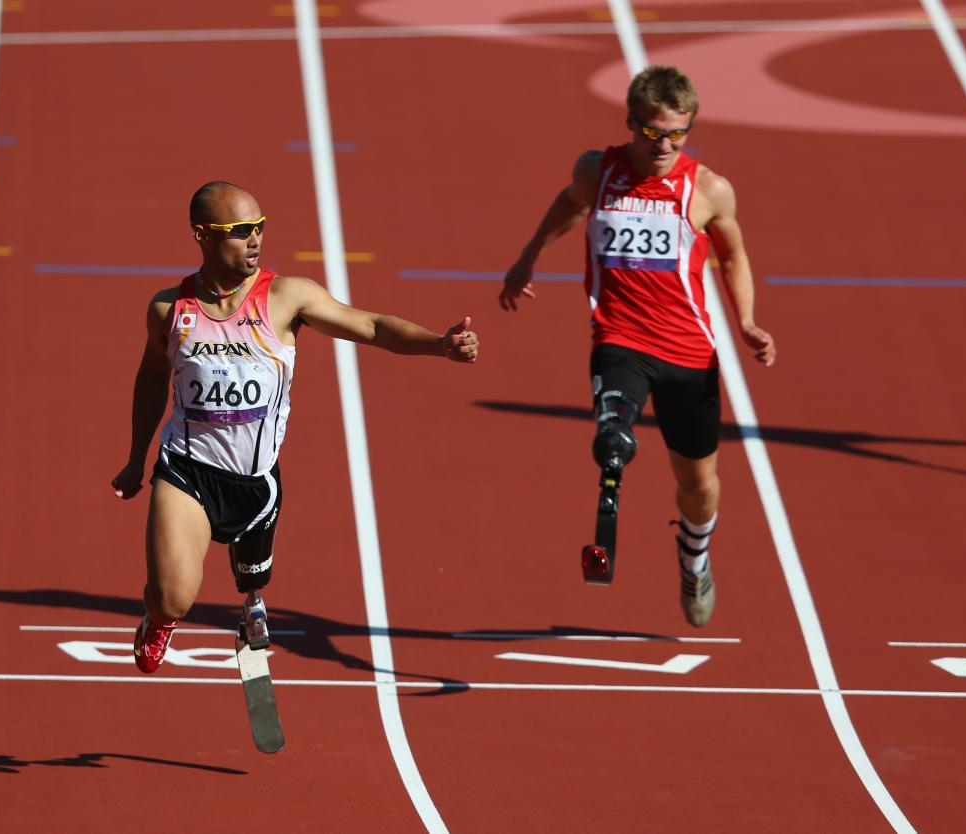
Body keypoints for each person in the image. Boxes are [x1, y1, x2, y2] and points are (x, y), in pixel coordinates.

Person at [111, 181, 479, 672]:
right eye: (241, 231)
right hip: (187, 471)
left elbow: (368, 325)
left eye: (260, 228)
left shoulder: (285, 297)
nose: (256, 239)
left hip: (255, 481)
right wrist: (138, 459)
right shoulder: (169, 309)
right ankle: (157, 618)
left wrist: (438, 344)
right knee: (174, 598)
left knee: (252, 578)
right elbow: (153, 377)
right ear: (202, 235)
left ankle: (251, 596)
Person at [499, 65, 775, 627]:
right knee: (614, 428)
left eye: (679, 133)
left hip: (689, 354)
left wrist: (746, 320)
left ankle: (694, 556)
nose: (666, 145)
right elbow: (568, 204)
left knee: (698, 486)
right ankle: (614, 444)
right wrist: (528, 257)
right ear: (631, 123)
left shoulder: (709, 189)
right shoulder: (598, 170)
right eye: (654, 133)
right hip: (620, 339)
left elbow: (735, 255)